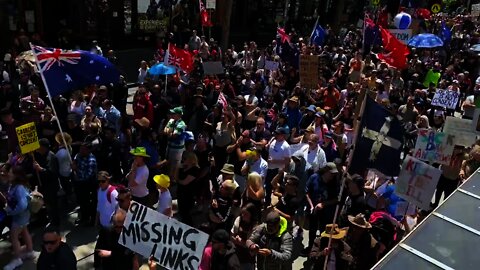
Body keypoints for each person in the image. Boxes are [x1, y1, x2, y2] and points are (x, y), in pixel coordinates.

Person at [303, 163, 340, 255]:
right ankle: (310, 248)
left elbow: (336, 199)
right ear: (325, 171)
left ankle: (322, 251)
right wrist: (311, 205)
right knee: (312, 231)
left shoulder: (334, 182)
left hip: (326, 212)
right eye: (331, 173)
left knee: (324, 232)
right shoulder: (314, 177)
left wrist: (323, 204)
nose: (333, 175)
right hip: (314, 211)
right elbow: (307, 192)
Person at [3, 166, 34, 270]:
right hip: (22, 216)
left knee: (14, 236)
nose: (8, 174)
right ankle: (30, 251)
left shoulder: (19, 188)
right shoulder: (14, 185)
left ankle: (17, 259)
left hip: (20, 216)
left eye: (10, 173)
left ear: (17, 175)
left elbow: (22, 205)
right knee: (25, 232)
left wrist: (11, 211)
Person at [33, 138, 61, 227]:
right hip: (44, 185)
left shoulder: (51, 157)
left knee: (52, 206)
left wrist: (40, 169)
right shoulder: (41, 155)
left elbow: (51, 173)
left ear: (44, 147)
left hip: (51, 187)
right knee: (47, 205)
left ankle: (55, 223)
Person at [94, 171, 118, 268]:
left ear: (108, 180)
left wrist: (114, 225)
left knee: (108, 251)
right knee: (98, 249)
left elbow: (117, 210)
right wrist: (96, 221)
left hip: (110, 228)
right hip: (102, 226)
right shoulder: (99, 190)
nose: (100, 183)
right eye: (98, 181)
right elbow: (98, 207)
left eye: (103, 181)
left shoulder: (113, 193)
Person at [72, 142, 98, 225]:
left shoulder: (91, 160)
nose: (81, 151)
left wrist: (76, 169)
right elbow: (76, 157)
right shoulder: (79, 155)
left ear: (88, 150)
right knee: (82, 202)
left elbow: (86, 176)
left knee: (89, 204)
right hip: (80, 185)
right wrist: (74, 163)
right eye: (80, 149)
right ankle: (83, 218)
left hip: (88, 185)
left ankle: (91, 220)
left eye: (83, 150)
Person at [231, 203, 258, 270]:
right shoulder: (239, 220)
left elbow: (253, 246)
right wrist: (236, 240)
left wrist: (242, 242)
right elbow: (231, 236)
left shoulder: (256, 227)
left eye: (246, 214)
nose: (243, 215)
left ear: (251, 215)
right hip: (236, 252)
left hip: (248, 257)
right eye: (242, 213)